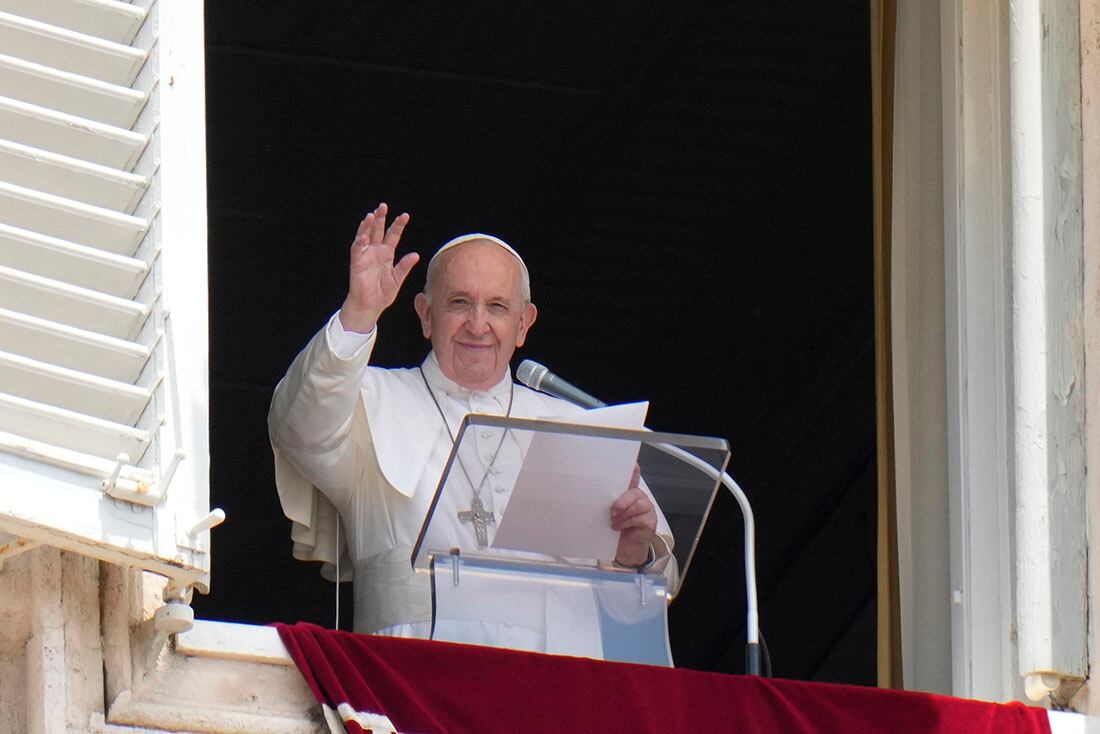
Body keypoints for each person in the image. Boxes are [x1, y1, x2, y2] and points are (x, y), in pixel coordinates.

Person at [269, 203, 671, 655]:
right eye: (459, 303)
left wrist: (634, 552)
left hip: (558, 679)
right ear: (424, 314)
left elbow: (636, 606)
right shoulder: (369, 398)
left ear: (523, 324)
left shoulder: (575, 426)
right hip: (410, 670)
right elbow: (300, 427)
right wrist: (359, 313)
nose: (478, 325)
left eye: (497, 307)